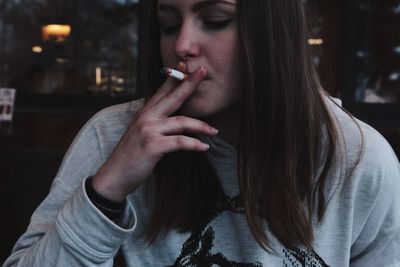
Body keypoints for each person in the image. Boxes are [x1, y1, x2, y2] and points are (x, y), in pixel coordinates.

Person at [4, 0, 400, 266]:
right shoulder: (112, 137)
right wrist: (107, 190)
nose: (182, 45)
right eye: (168, 24)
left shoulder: (360, 159)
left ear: (273, 35)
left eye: (215, 21)